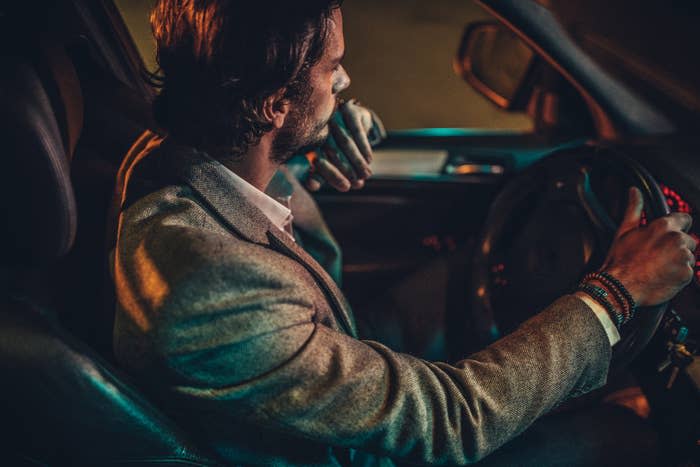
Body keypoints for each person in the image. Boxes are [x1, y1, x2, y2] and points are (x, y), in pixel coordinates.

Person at [111, 1, 697, 465]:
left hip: (337, 339)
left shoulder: (173, 150)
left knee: (465, 272)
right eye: (331, 68)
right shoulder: (207, 291)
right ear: (271, 105)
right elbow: (450, 423)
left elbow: (270, 141)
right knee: (627, 435)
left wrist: (310, 135)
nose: (344, 83)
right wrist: (614, 293)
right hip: (363, 452)